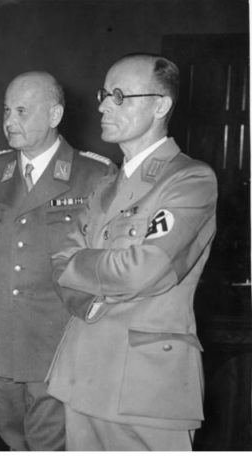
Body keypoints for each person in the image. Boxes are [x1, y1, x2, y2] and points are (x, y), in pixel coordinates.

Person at [46, 53, 218, 450]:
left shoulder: (190, 180)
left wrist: (80, 266)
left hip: (146, 387)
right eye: (105, 94)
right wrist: (85, 297)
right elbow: (58, 262)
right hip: (83, 375)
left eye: (120, 95)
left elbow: (142, 270)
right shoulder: (105, 185)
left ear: (160, 105)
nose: (104, 105)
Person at [0, 71, 116, 450]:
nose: (8, 121)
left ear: (54, 115)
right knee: (11, 442)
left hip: (57, 345)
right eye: (6, 110)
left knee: (50, 449)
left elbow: (103, 268)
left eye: (21, 111)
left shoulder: (94, 174)